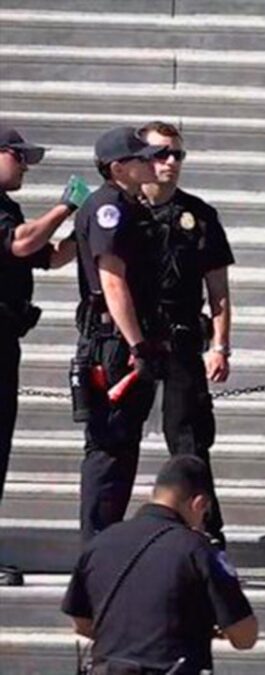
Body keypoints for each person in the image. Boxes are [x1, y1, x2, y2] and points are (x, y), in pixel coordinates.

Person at [62, 455, 258, 674]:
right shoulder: (198, 550)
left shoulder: (100, 543)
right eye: (205, 514)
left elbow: (81, 623)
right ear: (199, 504)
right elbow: (245, 637)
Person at [139, 121, 234, 547]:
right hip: (130, 339)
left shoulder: (200, 216)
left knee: (189, 440)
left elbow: (219, 292)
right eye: (161, 154)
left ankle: (207, 530)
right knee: (115, 441)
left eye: (177, 155)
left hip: (180, 338)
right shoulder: (121, 211)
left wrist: (220, 346)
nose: (171, 163)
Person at [74, 126, 169, 541]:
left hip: (126, 338)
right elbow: (112, 281)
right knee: (109, 449)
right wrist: (137, 344)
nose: (152, 163)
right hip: (114, 344)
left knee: (123, 446)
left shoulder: (130, 204)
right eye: (141, 158)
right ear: (118, 168)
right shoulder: (108, 207)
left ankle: (105, 542)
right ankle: (96, 548)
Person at [0, 126, 85, 586]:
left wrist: (82, 229)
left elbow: (47, 257)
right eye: (18, 156)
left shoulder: (8, 209)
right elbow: (21, 243)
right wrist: (67, 205)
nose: (25, 166)